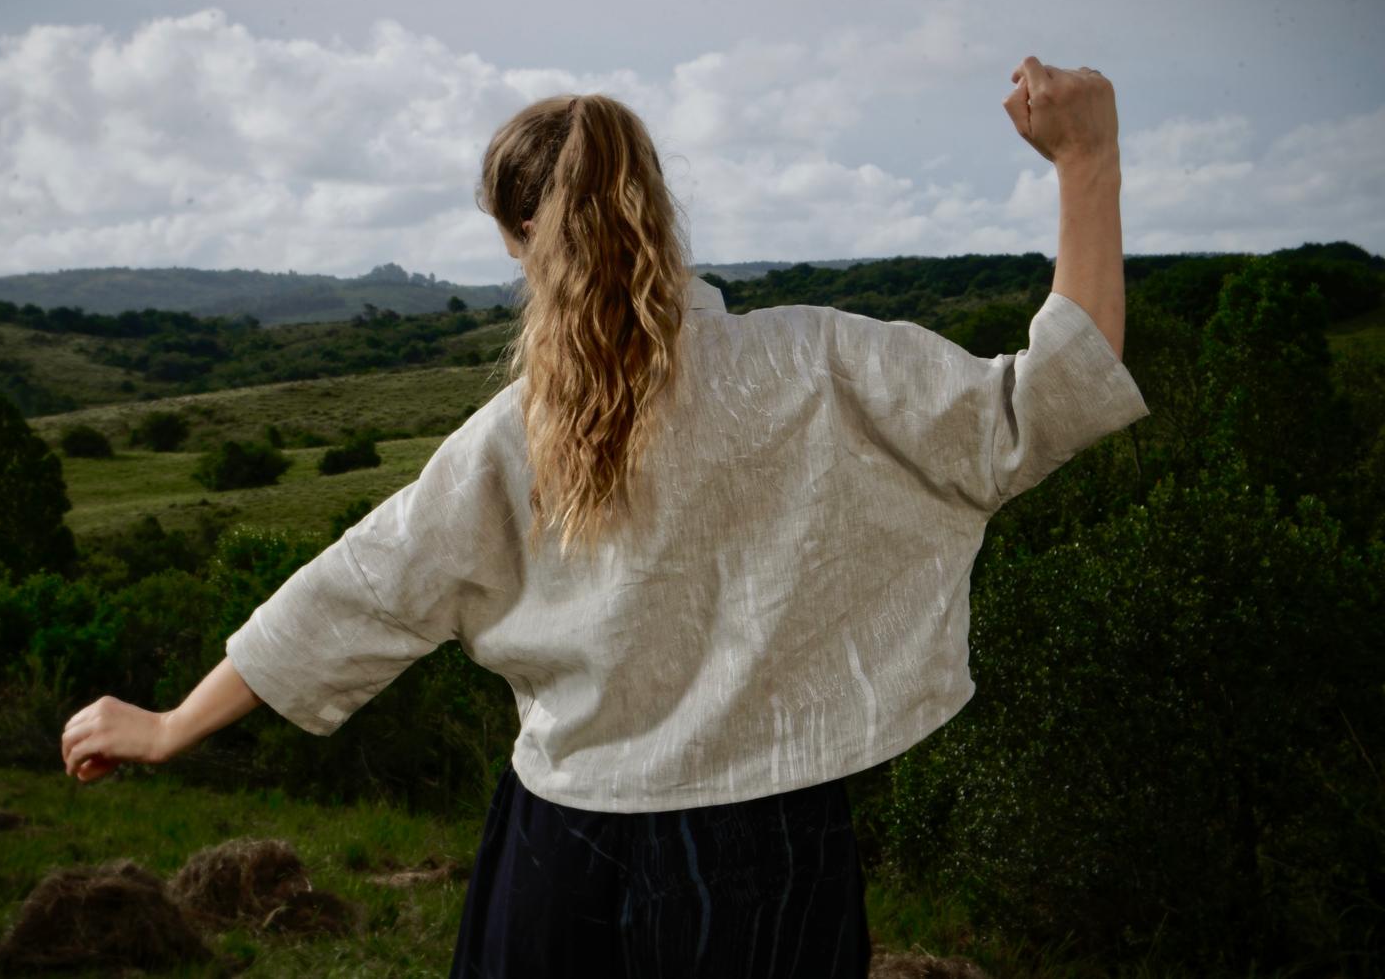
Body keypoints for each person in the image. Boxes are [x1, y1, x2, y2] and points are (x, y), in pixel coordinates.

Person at [60, 56, 1148, 977]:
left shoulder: (509, 438)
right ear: (656, 211)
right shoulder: (817, 361)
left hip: (560, 849)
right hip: (766, 851)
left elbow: (356, 592)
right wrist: (1086, 160)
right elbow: (1049, 399)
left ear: (518, 238)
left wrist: (166, 726)